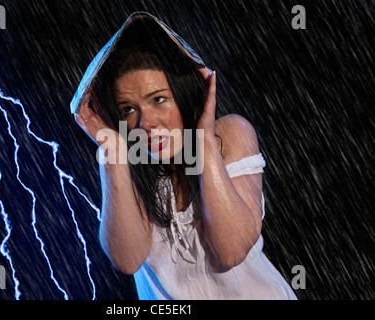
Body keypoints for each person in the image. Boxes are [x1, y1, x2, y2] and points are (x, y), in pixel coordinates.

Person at [71, 12, 297, 300]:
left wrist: (203, 139)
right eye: (128, 109)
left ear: (184, 92)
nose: (146, 123)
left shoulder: (228, 134)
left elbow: (232, 250)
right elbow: (127, 260)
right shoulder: (123, 159)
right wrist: (113, 152)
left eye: (158, 99)